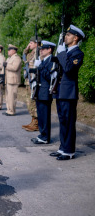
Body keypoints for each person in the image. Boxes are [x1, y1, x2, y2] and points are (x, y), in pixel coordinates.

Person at [50, 25, 85, 160]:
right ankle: (63, 148)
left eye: (69, 35)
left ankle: (69, 151)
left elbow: (69, 69)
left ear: (75, 38)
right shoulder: (66, 52)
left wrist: (62, 53)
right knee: (63, 120)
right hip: (60, 91)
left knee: (69, 122)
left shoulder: (77, 54)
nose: (66, 37)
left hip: (69, 92)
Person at [30, 41, 56, 144]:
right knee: (40, 115)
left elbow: (51, 77)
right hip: (40, 91)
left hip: (46, 92)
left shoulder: (52, 61)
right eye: (40, 49)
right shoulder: (44, 60)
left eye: (43, 49)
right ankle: (42, 135)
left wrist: (40, 66)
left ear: (49, 49)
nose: (41, 51)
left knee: (45, 116)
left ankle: (45, 137)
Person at [22, 37, 41, 131]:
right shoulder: (31, 53)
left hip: (34, 80)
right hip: (29, 80)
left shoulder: (38, 52)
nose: (29, 44)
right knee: (29, 101)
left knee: (33, 101)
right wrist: (26, 48)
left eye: (31, 43)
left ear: (36, 43)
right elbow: (24, 56)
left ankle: (36, 123)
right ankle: (33, 120)